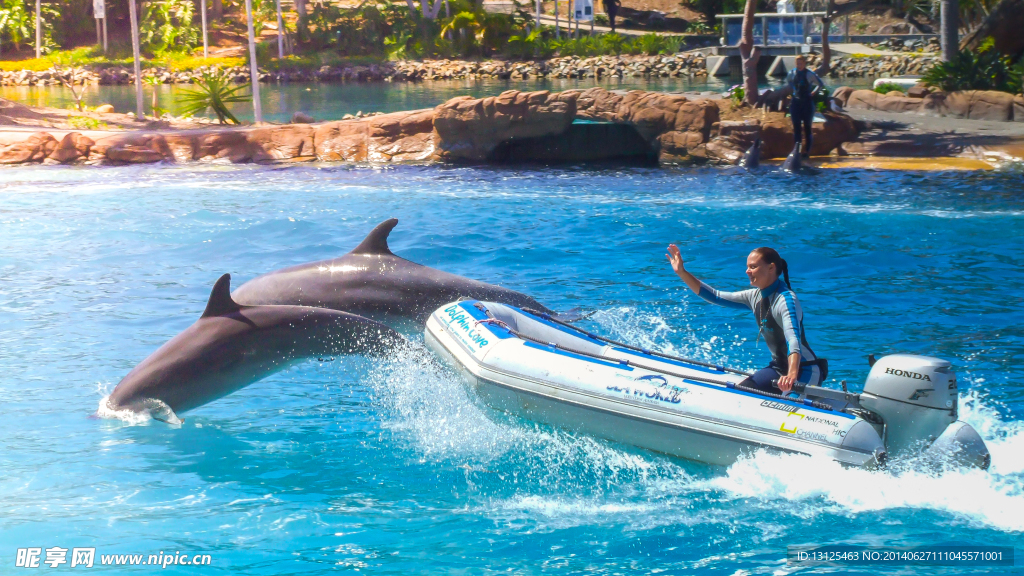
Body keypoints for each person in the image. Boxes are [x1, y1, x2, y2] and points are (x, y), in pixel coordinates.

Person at [665, 245, 825, 395]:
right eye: (748, 266)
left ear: (771, 267)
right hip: (778, 369)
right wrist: (682, 272)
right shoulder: (754, 296)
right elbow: (715, 296)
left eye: (753, 267)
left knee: (788, 409)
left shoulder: (786, 300)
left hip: (804, 370)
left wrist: (791, 375)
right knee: (741, 395)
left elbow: (793, 340)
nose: (747, 271)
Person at [785, 55, 825, 159]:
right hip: (796, 103)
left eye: (801, 63)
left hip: (807, 103)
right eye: (797, 63)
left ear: (804, 63)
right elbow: (789, 81)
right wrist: (793, 91)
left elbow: (820, 84)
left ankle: (807, 152)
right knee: (797, 128)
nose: (799, 65)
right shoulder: (792, 73)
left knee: (807, 128)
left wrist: (813, 93)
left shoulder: (809, 74)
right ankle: (797, 151)